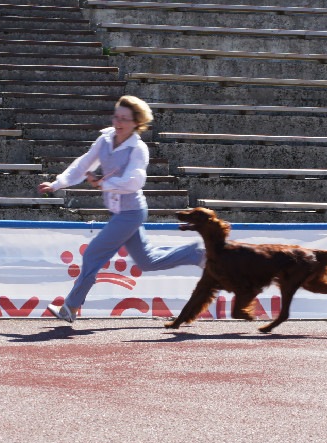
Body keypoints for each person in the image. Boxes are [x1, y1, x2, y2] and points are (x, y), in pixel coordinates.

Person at [37, 95, 205, 323]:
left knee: (93, 253)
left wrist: (103, 183)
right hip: (123, 213)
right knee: (147, 261)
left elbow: (134, 181)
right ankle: (196, 254)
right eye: (116, 116)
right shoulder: (105, 140)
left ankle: (71, 306)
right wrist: (57, 184)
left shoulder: (138, 149)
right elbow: (84, 164)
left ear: (136, 122)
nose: (118, 122)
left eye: (124, 119)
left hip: (131, 213)